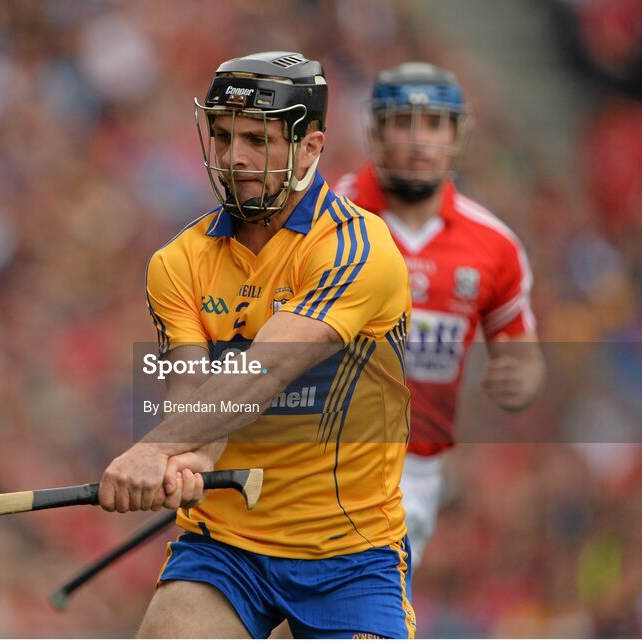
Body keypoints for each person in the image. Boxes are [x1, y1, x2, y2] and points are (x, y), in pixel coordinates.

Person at [97, 51, 416, 638]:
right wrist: (192, 456)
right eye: (222, 136)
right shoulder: (178, 262)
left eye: (256, 139)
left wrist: (154, 449)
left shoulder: (357, 248)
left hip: (350, 552)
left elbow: (263, 373)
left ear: (310, 148)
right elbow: (194, 396)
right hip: (225, 547)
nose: (233, 157)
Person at [334, 62, 546, 569]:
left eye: (433, 124)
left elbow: (525, 357)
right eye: (402, 123)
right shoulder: (324, 220)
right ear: (375, 131)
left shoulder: (494, 245)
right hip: (315, 454)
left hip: (413, 475)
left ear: (457, 135)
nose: (418, 140)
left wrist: (523, 380)